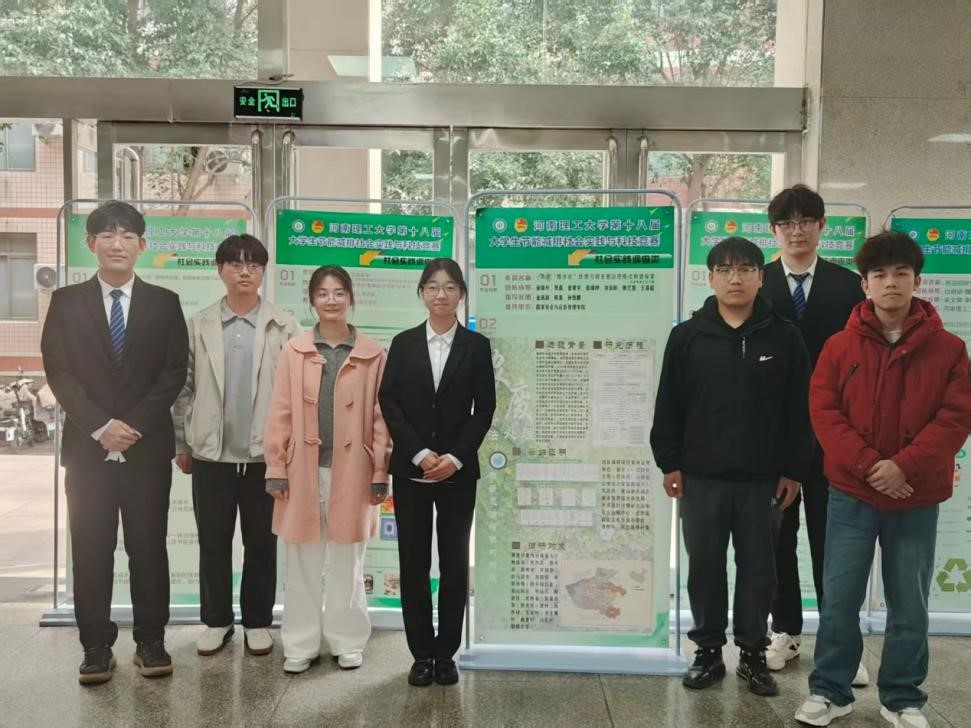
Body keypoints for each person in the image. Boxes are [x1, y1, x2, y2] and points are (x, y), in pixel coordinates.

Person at [795, 231, 971, 728]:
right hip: (852, 493)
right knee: (839, 597)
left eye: (900, 273)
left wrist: (903, 467)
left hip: (915, 495)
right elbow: (824, 412)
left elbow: (955, 417)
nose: (890, 282)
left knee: (909, 602)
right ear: (865, 284)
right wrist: (872, 466)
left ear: (917, 280)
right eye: (879, 275)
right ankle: (831, 691)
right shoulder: (839, 346)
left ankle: (902, 697)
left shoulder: (949, 349)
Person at [651, 236, 812, 697]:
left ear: (761, 277)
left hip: (764, 480)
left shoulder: (784, 336)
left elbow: (800, 411)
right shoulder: (688, 336)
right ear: (710, 278)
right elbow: (670, 405)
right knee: (704, 567)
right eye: (725, 270)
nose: (735, 278)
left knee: (760, 570)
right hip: (701, 477)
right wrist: (669, 463)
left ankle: (753, 654)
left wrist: (794, 469)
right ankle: (706, 651)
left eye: (745, 269)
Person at [40, 200, 189, 684]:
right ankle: (96, 647)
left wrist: (132, 426)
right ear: (91, 244)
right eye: (107, 235)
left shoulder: (165, 302)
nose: (117, 243)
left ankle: (151, 641)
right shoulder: (66, 302)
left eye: (127, 235)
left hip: (146, 451)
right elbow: (58, 370)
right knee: (91, 549)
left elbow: (173, 372)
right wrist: (100, 425)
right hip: (87, 452)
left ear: (142, 245)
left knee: (149, 548)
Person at [171, 234, 299, 658]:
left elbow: (297, 392)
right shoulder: (199, 324)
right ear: (220, 269)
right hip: (212, 454)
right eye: (236, 264)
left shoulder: (284, 325)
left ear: (263, 272)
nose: (245, 272)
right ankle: (217, 621)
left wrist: (289, 453)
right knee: (213, 542)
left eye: (254, 265)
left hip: (265, 457)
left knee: (262, 544)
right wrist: (182, 442)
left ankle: (258, 622)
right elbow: (183, 388)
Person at [760, 185, 867, 679]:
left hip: (836, 432)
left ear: (823, 226)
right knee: (777, 536)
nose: (797, 231)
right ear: (774, 230)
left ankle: (841, 643)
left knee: (834, 538)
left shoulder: (851, 287)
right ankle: (784, 630)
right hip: (775, 434)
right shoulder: (756, 282)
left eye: (806, 221)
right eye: (787, 223)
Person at [263, 265, 391, 674]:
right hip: (303, 470)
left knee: (348, 563)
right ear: (312, 301)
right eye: (322, 293)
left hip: (354, 470)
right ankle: (300, 644)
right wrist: (275, 465)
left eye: (339, 293)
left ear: (351, 298)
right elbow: (281, 410)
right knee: (302, 562)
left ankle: (348, 641)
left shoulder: (373, 354)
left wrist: (380, 471)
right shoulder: (295, 350)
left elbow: (381, 417)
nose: (331, 300)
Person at [378, 258, 496, 687]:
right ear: (422, 293)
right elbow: (389, 402)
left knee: (453, 563)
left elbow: (485, 408)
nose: (440, 294)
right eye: (432, 287)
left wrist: (456, 457)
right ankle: (420, 653)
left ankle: (446, 653)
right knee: (413, 562)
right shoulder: (403, 343)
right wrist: (420, 453)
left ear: (461, 294)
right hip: (412, 472)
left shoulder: (476, 346)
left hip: (457, 474)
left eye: (449, 287)